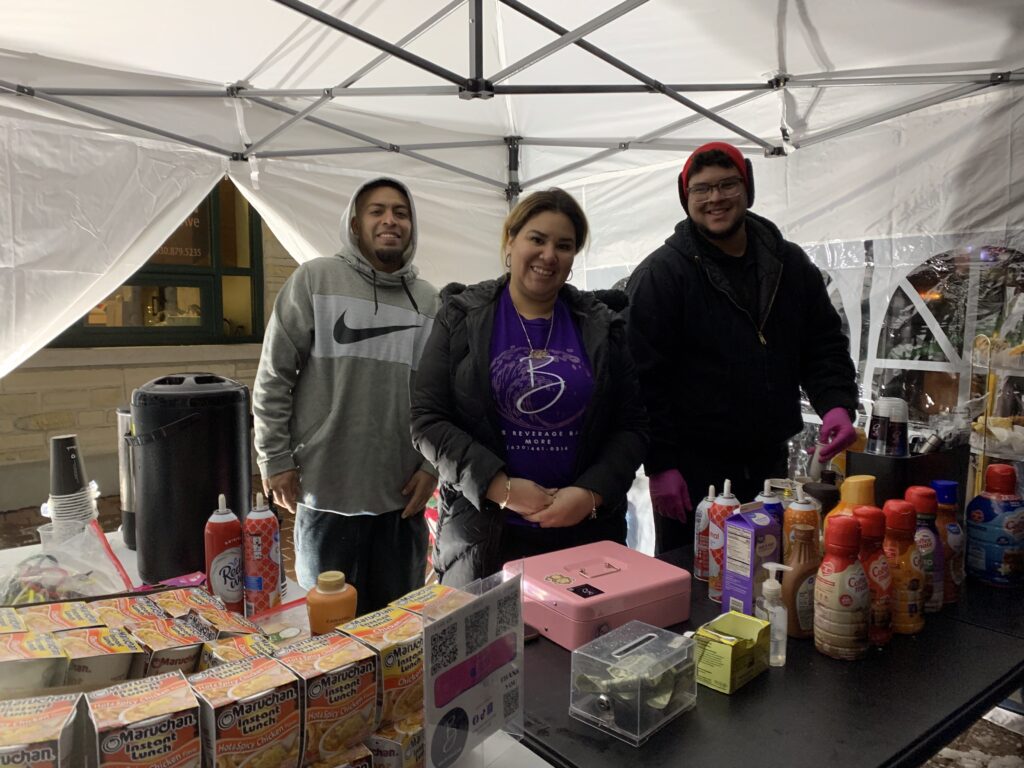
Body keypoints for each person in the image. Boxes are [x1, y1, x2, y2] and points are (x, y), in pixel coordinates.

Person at [626, 142, 859, 554]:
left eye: (727, 184)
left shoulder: (789, 264)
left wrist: (836, 402)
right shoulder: (662, 275)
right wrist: (660, 465)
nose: (715, 198)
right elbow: (642, 379)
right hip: (692, 474)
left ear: (747, 189)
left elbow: (822, 341)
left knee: (767, 572)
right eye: (701, 189)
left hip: (768, 463)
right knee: (695, 586)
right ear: (686, 199)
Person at [410, 189, 648, 586]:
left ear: (573, 259)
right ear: (510, 241)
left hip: (585, 536)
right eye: (537, 239)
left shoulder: (605, 326)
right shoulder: (461, 317)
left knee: (581, 645)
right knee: (487, 647)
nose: (549, 254)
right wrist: (498, 486)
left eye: (564, 245)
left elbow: (633, 427)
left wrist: (590, 493)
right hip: (484, 539)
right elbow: (427, 420)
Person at [253, 177, 439, 613]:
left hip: (401, 501)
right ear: (354, 224)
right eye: (377, 211)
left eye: (401, 212)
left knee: (396, 634)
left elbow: (440, 397)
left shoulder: (430, 302)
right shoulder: (315, 281)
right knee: (328, 638)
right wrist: (274, 458)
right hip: (324, 496)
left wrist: (432, 467)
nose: (390, 220)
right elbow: (274, 375)